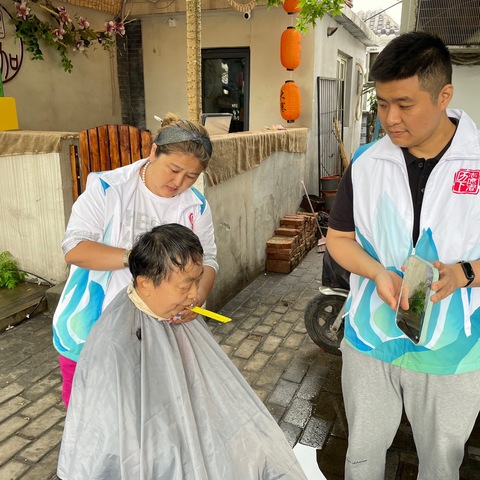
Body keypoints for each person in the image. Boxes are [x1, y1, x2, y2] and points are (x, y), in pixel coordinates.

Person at [326, 31, 480, 480]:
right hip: (370, 339)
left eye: (405, 104)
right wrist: (376, 273)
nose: (390, 118)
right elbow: (339, 239)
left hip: (453, 350)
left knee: (441, 460)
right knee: (362, 455)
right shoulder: (367, 162)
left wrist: (465, 273)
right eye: (382, 103)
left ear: (443, 95)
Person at [57, 224, 308, 480]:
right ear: (144, 284)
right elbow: (110, 442)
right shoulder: (113, 342)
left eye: (197, 282)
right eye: (185, 286)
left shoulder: (179, 314)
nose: (194, 295)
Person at [53, 114, 218, 408]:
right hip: (94, 323)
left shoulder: (196, 206)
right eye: (174, 169)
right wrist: (136, 258)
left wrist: (197, 297)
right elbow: (75, 249)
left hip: (158, 329)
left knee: (146, 415)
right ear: (154, 152)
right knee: (90, 416)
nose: (179, 182)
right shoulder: (108, 188)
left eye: (191, 176)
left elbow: (209, 261)